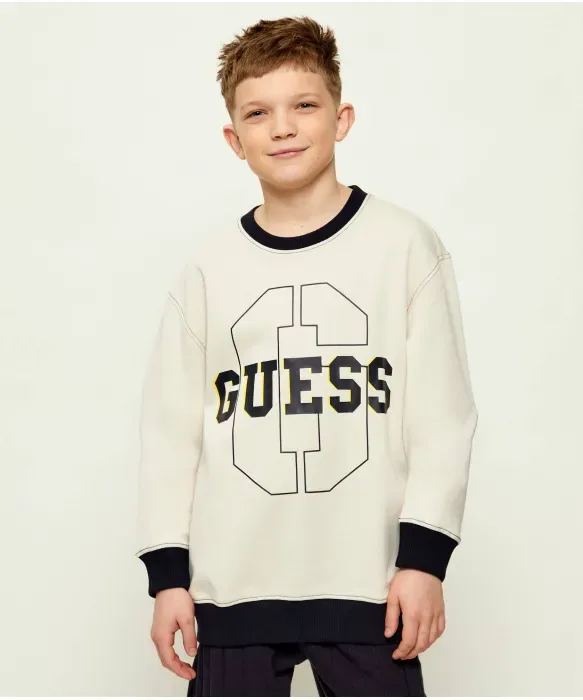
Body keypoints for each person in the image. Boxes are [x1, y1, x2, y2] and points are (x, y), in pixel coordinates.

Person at [134, 15, 479, 697]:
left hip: (369, 581)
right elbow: (169, 431)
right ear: (234, 139)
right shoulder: (208, 270)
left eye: (304, 105)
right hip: (234, 584)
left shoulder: (404, 246)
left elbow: (443, 417)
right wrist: (168, 575)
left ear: (341, 118)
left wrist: (424, 559)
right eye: (258, 113)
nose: (283, 128)